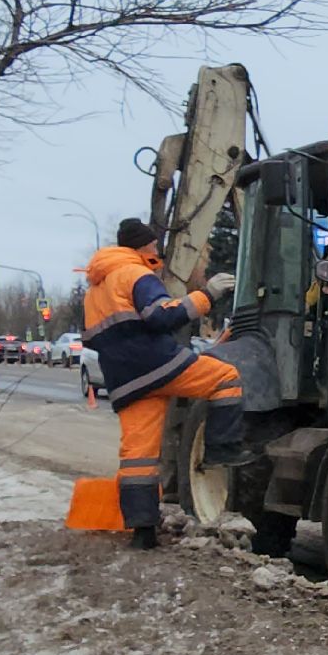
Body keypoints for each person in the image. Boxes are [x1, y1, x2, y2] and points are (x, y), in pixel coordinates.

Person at [84, 218, 248, 548]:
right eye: (155, 245)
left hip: (126, 381)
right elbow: (163, 316)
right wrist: (208, 295)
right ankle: (221, 451)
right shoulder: (136, 275)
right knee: (225, 378)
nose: (158, 250)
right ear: (143, 246)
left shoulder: (95, 290)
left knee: (138, 459)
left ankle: (142, 532)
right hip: (159, 364)